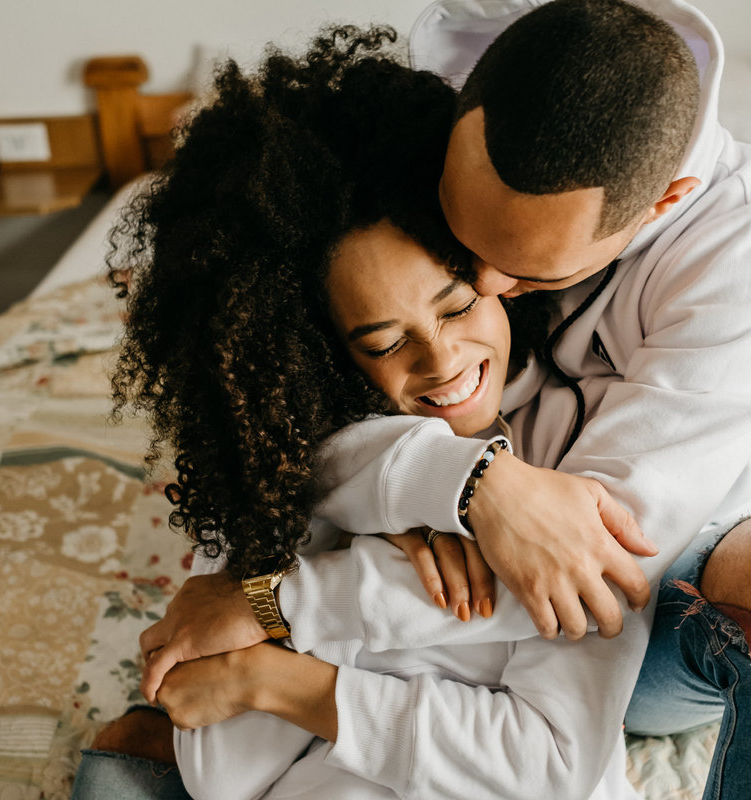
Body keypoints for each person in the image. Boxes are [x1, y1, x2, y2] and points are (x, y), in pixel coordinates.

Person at [138, 1, 751, 798]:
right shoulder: (457, 106)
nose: (491, 285)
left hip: (645, 590)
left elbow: (594, 561)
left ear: (660, 206)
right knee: (148, 732)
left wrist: (277, 607)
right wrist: (464, 479)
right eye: (466, 246)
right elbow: (293, 395)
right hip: (453, 590)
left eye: (524, 277)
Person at [75, 26, 654, 800]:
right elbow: (220, 770)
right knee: (122, 755)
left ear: (502, 274)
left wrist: (272, 674)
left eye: (458, 306)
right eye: (384, 341)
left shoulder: (575, 450)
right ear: (318, 356)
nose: (443, 362)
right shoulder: (293, 474)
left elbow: (551, 765)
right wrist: (404, 495)